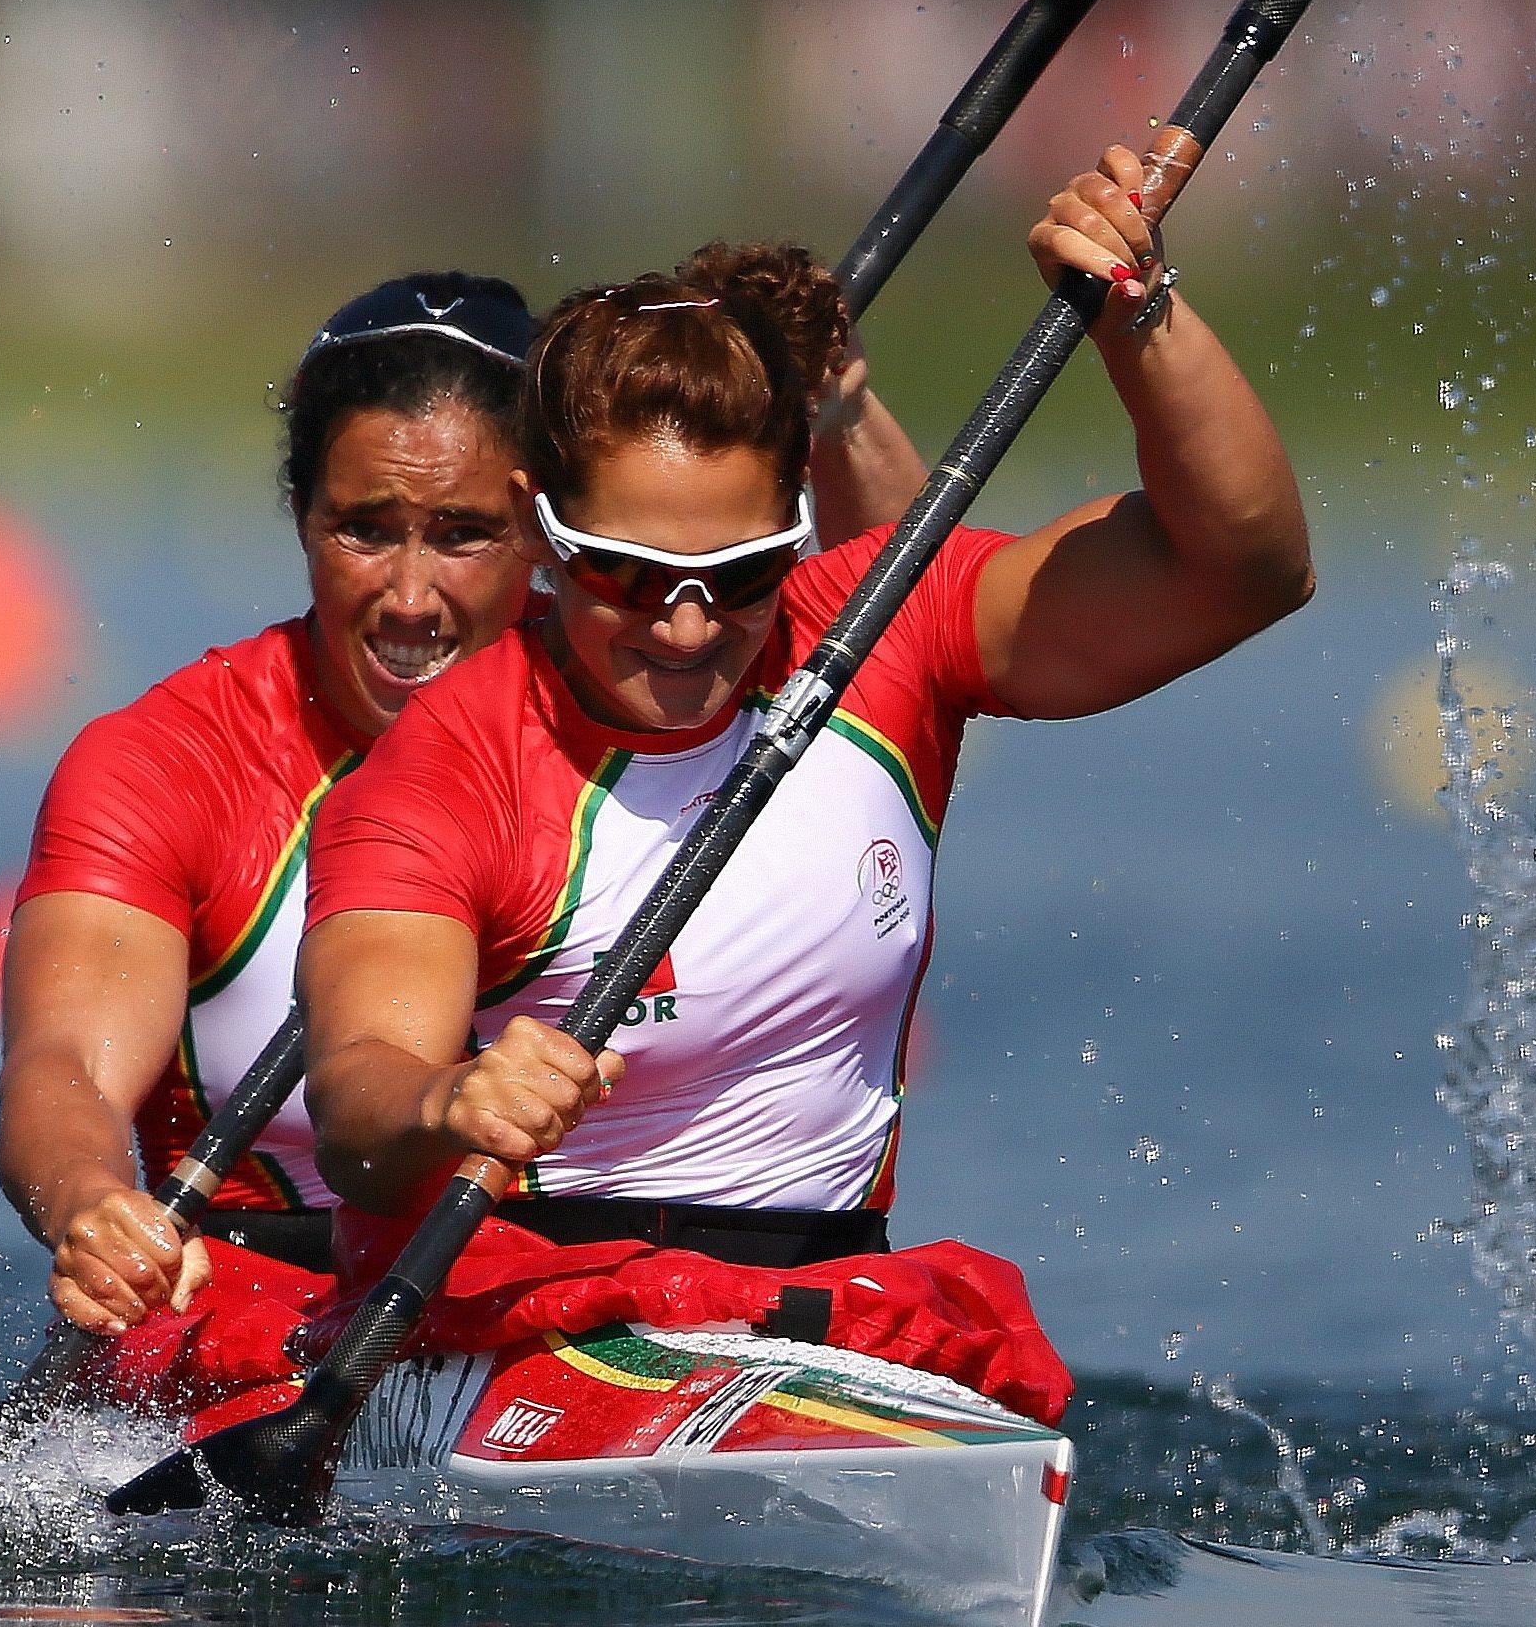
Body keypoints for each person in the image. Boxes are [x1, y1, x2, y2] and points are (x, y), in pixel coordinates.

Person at [297, 144, 1311, 1282]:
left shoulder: (880, 629)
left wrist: (1138, 314)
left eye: (736, 574)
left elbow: (1245, 571)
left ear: (794, 521)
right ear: (541, 532)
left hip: (824, 1298)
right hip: (523, 1303)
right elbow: (354, 1097)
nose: (684, 630)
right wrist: (445, 1099)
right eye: (630, 576)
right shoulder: (448, 763)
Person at [0, 269, 925, 1339]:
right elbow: (63, 1070)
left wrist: (834, 410)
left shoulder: (668, 669)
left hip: (556, 1298)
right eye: (365, 529)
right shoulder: (168, 762)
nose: (408, 594)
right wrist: (91, 1203)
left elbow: (903, 604)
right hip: (254, 1314)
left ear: (547, 527)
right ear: (300, 518)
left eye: (464, 533)